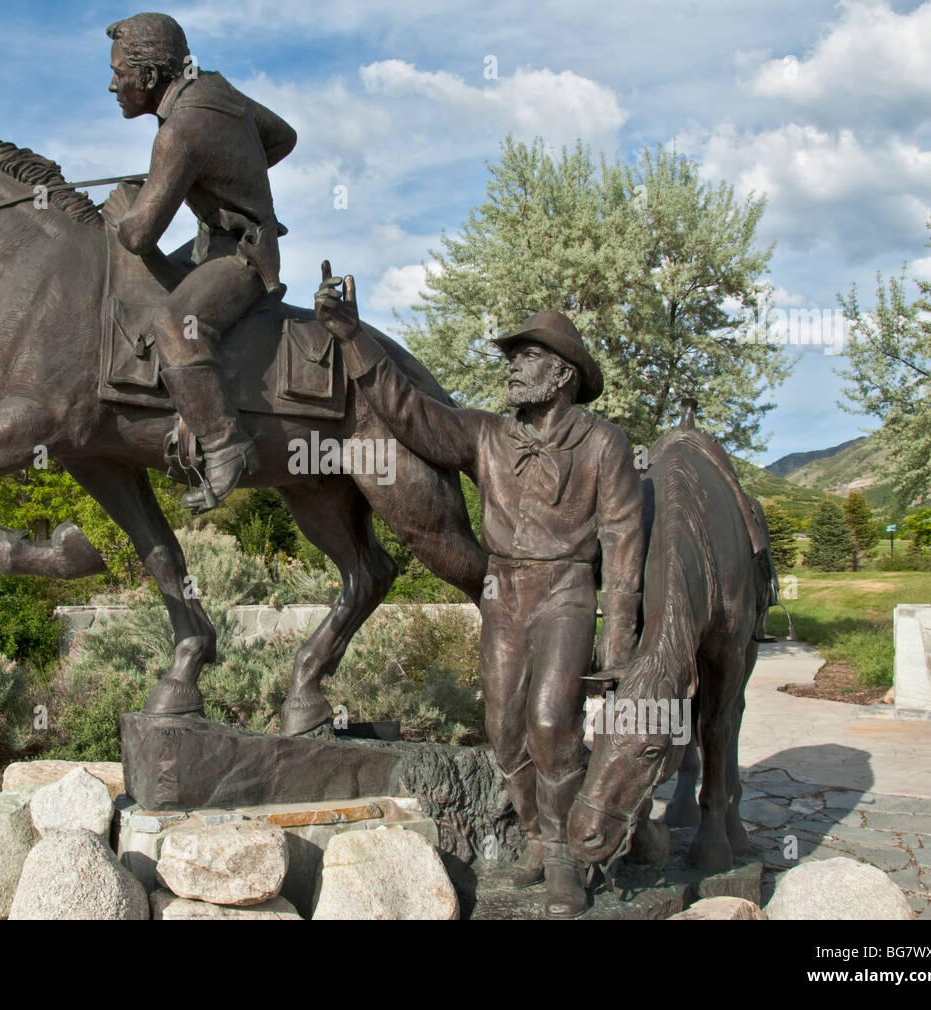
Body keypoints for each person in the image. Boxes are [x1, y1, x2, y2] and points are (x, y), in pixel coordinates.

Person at [315, 274, 645, 917]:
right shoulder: (486, 433)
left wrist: (620, 628)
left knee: (552, 720)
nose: (514, 369)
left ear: (563, 375)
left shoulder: (603, 443)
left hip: (566, 588)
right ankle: (534, 835)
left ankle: (563, 856)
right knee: (501, 728)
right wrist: (352, 336)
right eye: (514, 359)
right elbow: (411, 414)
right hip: (504, 588)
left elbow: (625, 534)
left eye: (528, 358)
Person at [107, 12, 297, 512]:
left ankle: (224, 445)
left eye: (119, 73)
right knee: (142, 289)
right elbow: (283, 136)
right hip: (210, 245)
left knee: (176, 325)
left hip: (241, 257)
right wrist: (224, 169)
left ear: (148, 77)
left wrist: (126, 208)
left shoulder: (179, 133)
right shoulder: (216, 89)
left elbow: (139, 234)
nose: (112, 86)